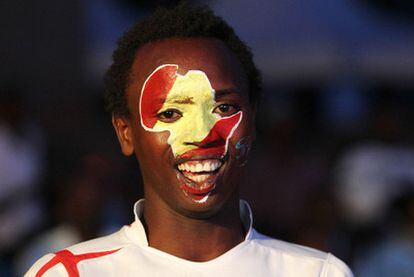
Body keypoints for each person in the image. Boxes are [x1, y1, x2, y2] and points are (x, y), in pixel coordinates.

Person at [26, 3, 353, 276]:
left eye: (224, 107)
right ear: (125, 133)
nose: (201, 134)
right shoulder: (70, 273)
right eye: (169, 113)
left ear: (251, 122)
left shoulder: (316, 273)